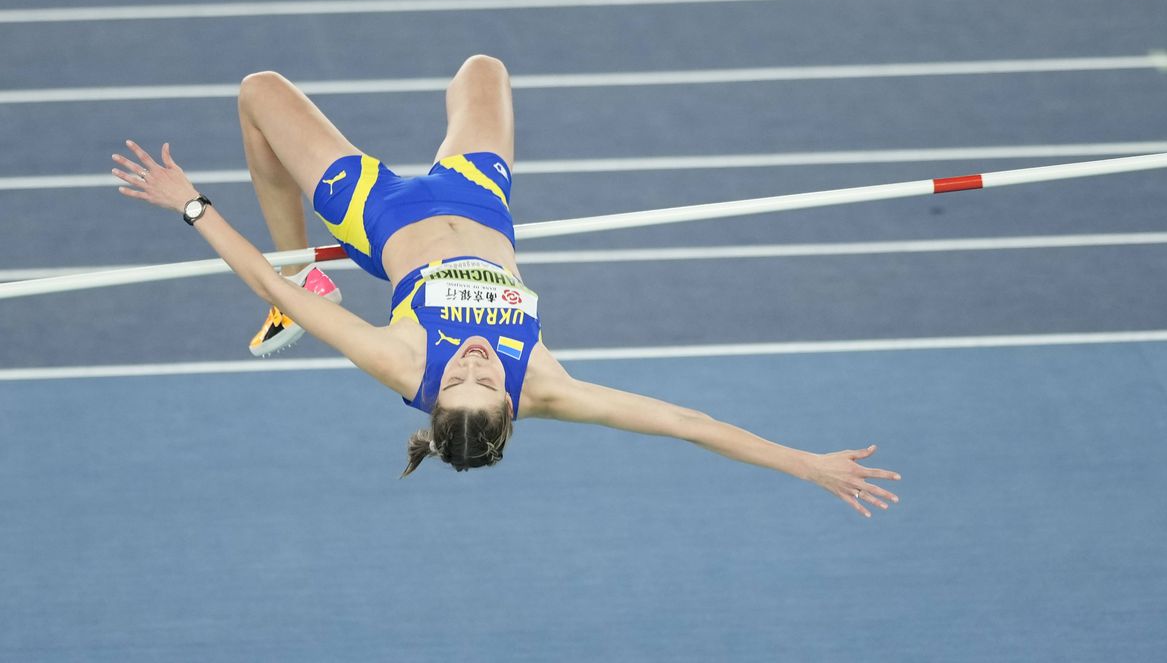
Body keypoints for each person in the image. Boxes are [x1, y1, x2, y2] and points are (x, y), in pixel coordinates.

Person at [111, 55, 900, 517]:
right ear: (511, 407)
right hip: (478, 196)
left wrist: (191, 203)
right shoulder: (546, 385)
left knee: (258, 92)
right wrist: (806, 464)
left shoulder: (401, 362)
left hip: (379, 214)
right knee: (482, 70)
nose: (476, 361)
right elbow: (686, 422)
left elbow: (263, 282)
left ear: (435, 395)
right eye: (487, 379)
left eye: (460, 376)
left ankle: (304, 258)